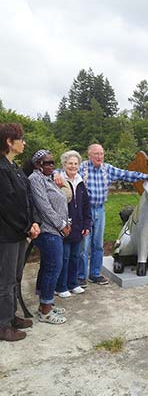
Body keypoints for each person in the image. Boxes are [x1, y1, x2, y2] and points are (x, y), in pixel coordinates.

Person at [73, 143, 148, 286]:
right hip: (84, 212)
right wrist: (56, 174)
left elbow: (126, 174)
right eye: (96, 154)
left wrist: (146, 176)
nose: (100, 157)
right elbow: (64, 171)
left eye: (101, 154)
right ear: (89, 155)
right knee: (83, 245)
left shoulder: (107, 169)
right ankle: (80, 276)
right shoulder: (81, 168)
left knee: (98, 244)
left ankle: (95, 274)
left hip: (100, 210)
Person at [0, 123, 40, 342]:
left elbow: (26, 199)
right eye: (21, 138)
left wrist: (33, 221)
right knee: (4, 281)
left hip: (19, 233)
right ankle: (3, 324)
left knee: (15, 277)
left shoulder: (13, 167)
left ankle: (11, 316)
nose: (24, 142)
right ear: (9, 141)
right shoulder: (1, 169)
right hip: (6, 235)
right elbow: (6, 206)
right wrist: (27, 227)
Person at [29, 150, 71, 324]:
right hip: (48, 231)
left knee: (49, 266)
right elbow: (44, 207)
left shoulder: (50, 178)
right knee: (54, 267)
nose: (52, 166)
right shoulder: (35, 179)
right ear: (38, 164)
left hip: (56, 230)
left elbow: (63, 197)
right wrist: (62, 225)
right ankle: (45, 311)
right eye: (47, 163)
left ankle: (45, 303)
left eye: (53, 162)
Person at [55, 150, 91, 298]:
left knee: (75, 256)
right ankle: (60, 286)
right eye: (70, 163)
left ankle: (72, 283)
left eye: (76, 163)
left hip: (78, 226)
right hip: (64, 226)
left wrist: (87, 225)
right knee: (64, 257)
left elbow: (85, 205)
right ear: (64, 164)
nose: (73, 166)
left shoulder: (80, 181)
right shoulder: (58, 180)